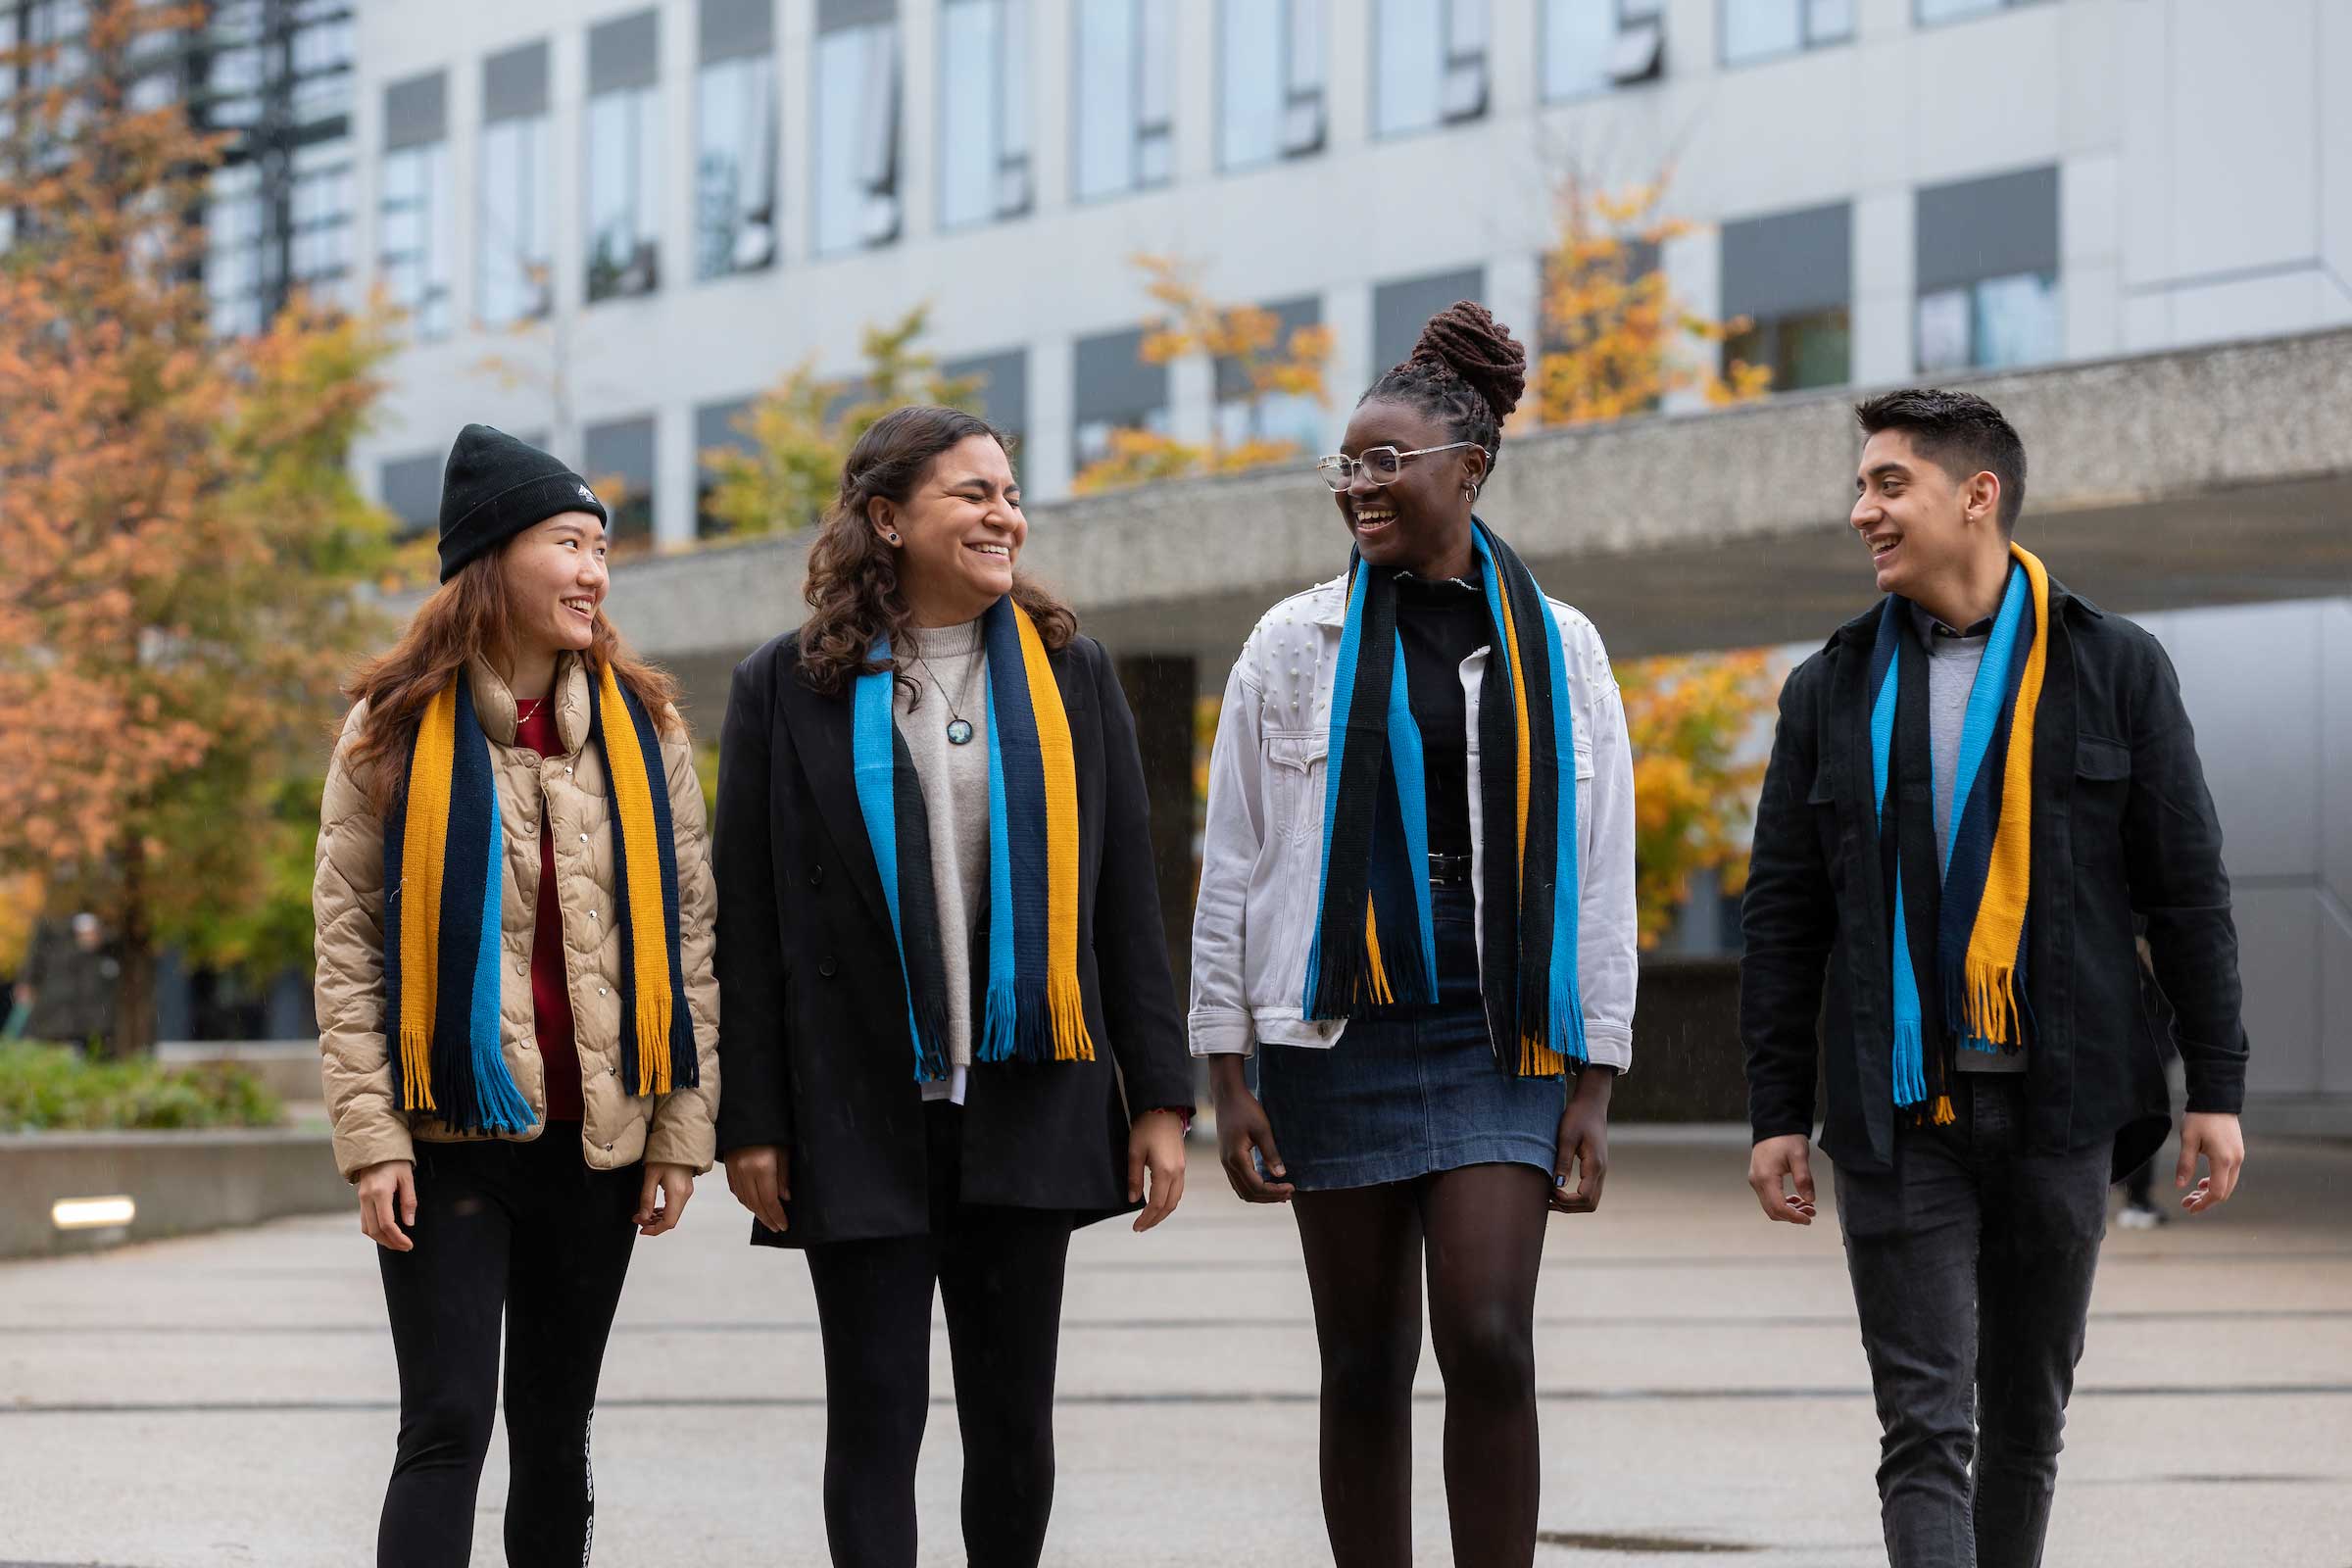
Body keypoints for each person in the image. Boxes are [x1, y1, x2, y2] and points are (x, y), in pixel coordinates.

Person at [1740, 389, 2249, 1566]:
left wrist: (2214, 1085)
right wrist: (1775, 1110)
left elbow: (2187, 889)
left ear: (1978, 496)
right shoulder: (1831, 688)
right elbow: (1785, 916)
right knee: (1925, 1428)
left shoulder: (2114, 666)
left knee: (2027, 1421)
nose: (1860, 509)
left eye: (1887, 484)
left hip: (2063, 1104)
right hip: (1896, 1106)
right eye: (1861, 485)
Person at [1190, 302, 1639, 1568]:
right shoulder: (1291, 647)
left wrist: (1594, 1083)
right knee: (1365, 1360)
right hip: (1333, 1031)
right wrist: (1226, 1076)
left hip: (1500, 1030)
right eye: (1349, 464)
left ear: (1470, 470)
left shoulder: (1562, 648)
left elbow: (1604, 875)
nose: (1361, 486)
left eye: (1387, 463)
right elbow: (1233, 865)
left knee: (1490, 1335)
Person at [713, 405, 1193, 1568]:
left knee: (1012, 1424)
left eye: (1010, 493)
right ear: (887, 519)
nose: (1004, 514)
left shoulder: (1072, 674)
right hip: (857, 1105)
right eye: (972, 493)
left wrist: (1161, 1101)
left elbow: (1128, 894)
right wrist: (755, 1121)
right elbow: (752, 921)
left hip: (1029, 1094)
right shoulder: (785, 687)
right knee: (875, 1419)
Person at [312, 424, 720, 1566]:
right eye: (569, 543)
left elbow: (692, 939)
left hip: (597, 1135)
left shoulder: (648, 730)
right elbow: (346, 949)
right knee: (445, 1425)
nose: (594, 571)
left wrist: (680, 1133)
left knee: (556, 1431)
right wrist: (370, 1139)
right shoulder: (391, 729)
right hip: (449, 1138)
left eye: (601, 547)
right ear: (492, 558)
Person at [17, 911, 120, 1054]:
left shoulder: (104, 953)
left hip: (88, 1016)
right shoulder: (54, 930)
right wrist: (27, 981)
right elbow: (36, 957)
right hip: (58, 1011)